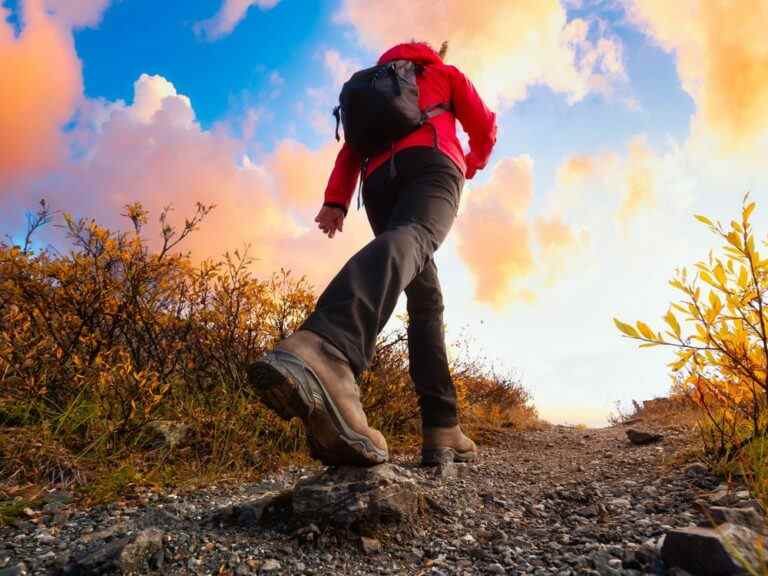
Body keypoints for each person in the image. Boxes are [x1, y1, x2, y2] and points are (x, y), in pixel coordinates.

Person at [247, 41, 497, 467]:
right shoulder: (442, 72)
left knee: (425, 301)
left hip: (378, 182)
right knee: (417, 236)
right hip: (433, 163)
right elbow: (484, 123)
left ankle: (442, 425)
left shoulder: (372, 91)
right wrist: (470, 161)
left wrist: (336, 202)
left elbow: (350, 151)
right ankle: (328, 347)